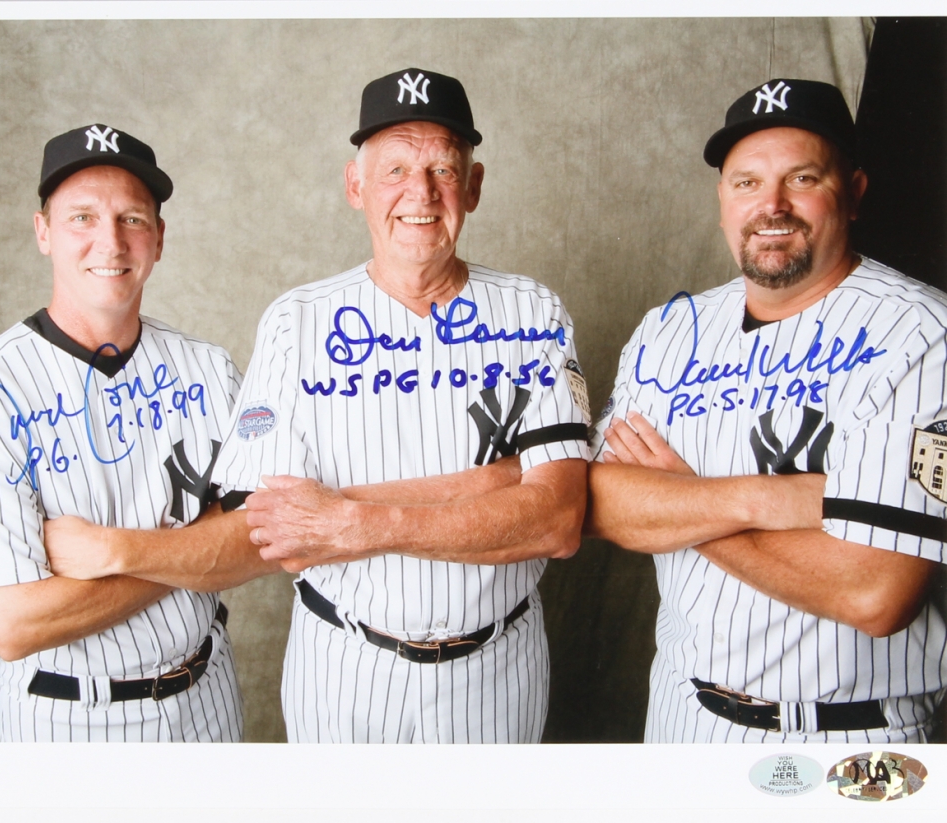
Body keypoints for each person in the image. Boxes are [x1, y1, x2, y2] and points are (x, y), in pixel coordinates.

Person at [46, 69, 590, 743]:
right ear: (355, 185)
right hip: (344, 666)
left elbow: (559, 519)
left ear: (472, 187)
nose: (419, 193)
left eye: (442, 168)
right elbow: (273, 530)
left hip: (496, 668)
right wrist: (497, 482)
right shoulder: (295, 321)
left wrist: (350, 519)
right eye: (393, 169)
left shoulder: (534, 310)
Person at [588, 78, 947, 743]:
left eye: (802, 177)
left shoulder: (921, 336)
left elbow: (876, 593)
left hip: (849, 734)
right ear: (724, 199)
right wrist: (766, 500)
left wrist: (680, 500)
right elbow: (598, 503)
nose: (771, 205)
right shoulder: (672, 329)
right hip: (681, 718)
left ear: (856, 190)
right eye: (746, 182)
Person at [0, 125, 246, 741]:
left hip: (207, 700)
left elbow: (264, 539)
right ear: (43, 233)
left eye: (132, 218)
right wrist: (198, 551)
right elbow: (15, 624)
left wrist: (115, 551)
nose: (109, 241)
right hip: (65, 721)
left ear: (158, 239)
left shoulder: (208, 368)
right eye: (81, 216)